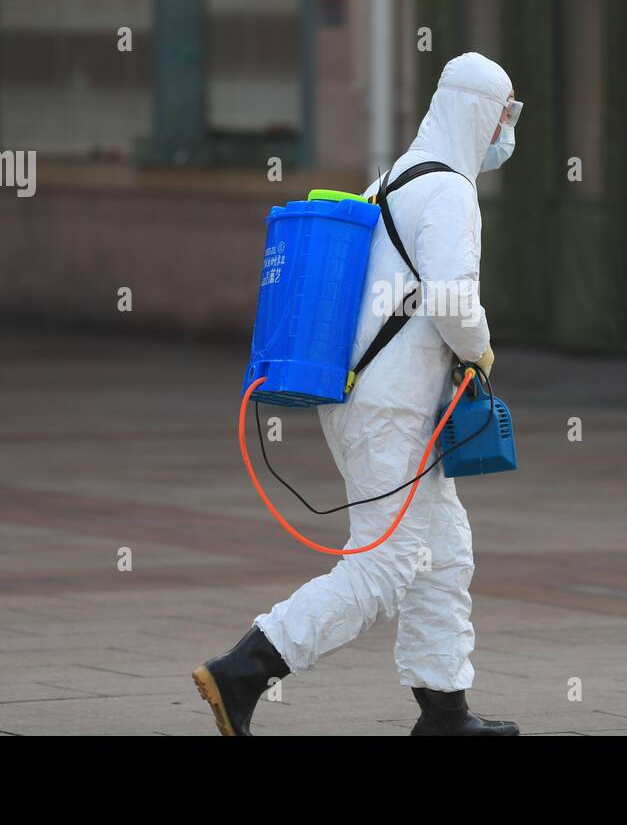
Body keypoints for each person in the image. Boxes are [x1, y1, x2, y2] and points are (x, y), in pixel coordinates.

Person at [193, 52, 522, 735]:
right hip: (393, 408)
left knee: (443, 551)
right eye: (504, 115)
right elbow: (455, 300)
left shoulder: (393, 177)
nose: (506, 132)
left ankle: (445, 712)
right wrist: (481, 348)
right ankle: (244, 669)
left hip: (366, 398)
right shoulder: (450, 192)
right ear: (475, 111)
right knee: (386, 563)